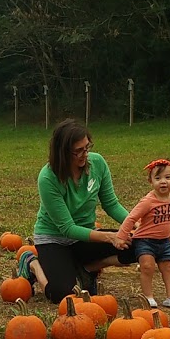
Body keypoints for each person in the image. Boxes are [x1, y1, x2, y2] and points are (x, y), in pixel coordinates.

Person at [32, 119, 135, 304]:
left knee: (137, 246)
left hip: (84, 237)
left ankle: (86, 269)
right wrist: (110, 237)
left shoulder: (98, 163)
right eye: (78, 151)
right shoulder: (48, 178)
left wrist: (133, 223)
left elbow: (111, 204)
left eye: (87, 147)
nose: (84, 154)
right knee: (62, 295)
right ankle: (32, 264)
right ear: (62, 153)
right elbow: (67, 228)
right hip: (54, 239)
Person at [115, 157, 170, 309]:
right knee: (147, 267)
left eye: (167, 177)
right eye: (157, 178)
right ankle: (148, 297)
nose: (163, 181)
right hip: (145, 240)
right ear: (150, 181)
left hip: (164, 241)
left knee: (168, 267)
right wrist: (121, 236)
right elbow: (131, 217)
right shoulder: (147, 201)